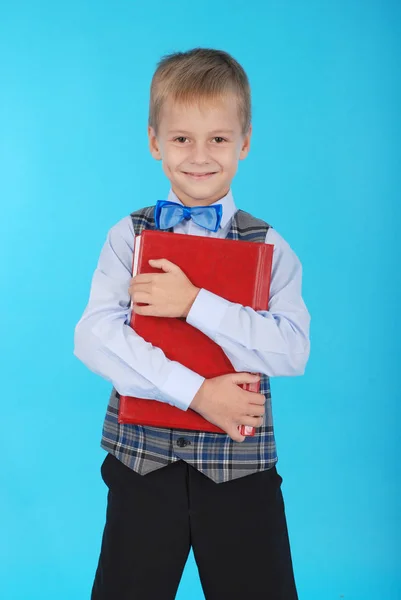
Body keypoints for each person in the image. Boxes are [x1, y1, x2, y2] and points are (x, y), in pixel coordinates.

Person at [74, 46, 311, 600]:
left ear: (245, 142)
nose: (199, 155)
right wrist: (199, 392)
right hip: (141, 468)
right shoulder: (126, 236)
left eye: (219, 139)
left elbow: (292, 351)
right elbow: (95, 336)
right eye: (182, 138)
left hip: (240, 474)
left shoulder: (270, 246)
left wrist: (194, 302)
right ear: (155, 141)